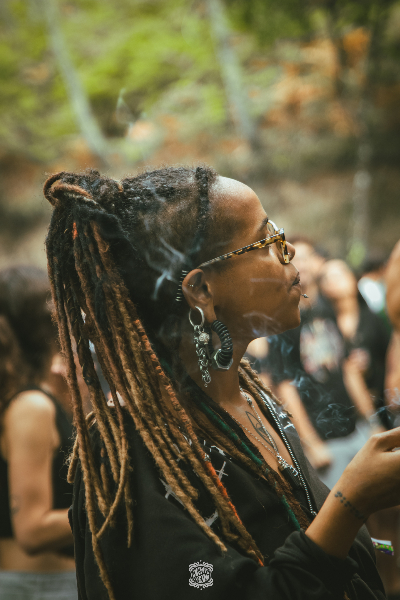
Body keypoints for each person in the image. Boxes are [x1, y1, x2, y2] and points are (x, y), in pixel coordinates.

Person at [44, 166, 400, 600]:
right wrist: (350, 504)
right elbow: (203, 583)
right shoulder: (132, 456)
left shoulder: (254, 402)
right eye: (266, 238)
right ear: (201, 290)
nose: (288, 249)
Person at [0, 266, 77, 599]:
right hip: (40, 588)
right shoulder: (32, 406)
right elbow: (32, 530)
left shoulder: (33, 397)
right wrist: (110, 509)